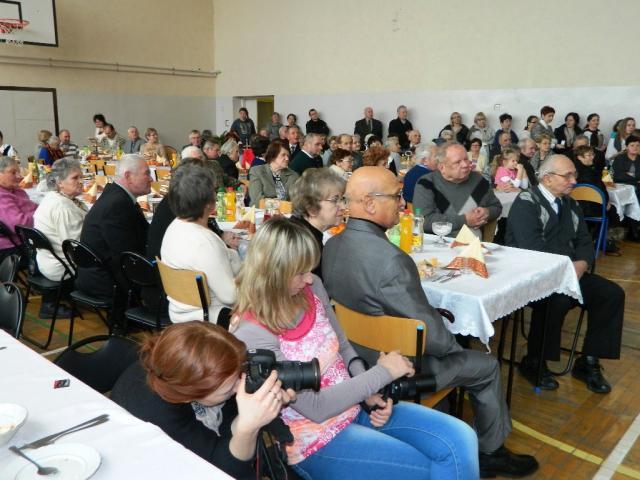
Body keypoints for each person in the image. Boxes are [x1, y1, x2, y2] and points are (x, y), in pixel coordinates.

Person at [322, 167, 537, 478]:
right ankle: (491, 451)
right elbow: (432, 337)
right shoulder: (392, 259)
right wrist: (456, 347)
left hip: (354, 359)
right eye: (397, 196)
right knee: (486, 365)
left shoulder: (332, 245)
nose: (403, 203)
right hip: (399, 368)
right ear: (369, 203)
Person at [232, 218, 480, 479]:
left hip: (355, 409)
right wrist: (382, 374)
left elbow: (344, 346)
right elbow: (316, 407)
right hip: (314, 439)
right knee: (427, 469)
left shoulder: (311, 288)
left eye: (309, 269)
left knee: (461, 438)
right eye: (300, 272)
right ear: (274, 276)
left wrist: (369, 392)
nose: (309, 277)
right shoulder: (253, 332)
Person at [111, 321, 296, 480]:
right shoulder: (160, 416)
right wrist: (247, 428)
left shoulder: (183, 367)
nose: (240, 386)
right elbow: (224, 472)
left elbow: (227, 429)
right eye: (229, 388)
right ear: (189, 396)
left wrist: (256, 411)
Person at [506, 155, 624, 393]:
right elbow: (532, 249)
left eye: (574, 175)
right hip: (534, 275)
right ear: (547, 178)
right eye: (568, 176)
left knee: (611, 294)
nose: (574, 181)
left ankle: (588, 361)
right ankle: (535, 360)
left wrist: (582, 264)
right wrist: (568, 269)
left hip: (570, 272)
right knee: (557, 300)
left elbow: (585, 241)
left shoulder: (570, 204)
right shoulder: (526, 202)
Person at [160, 163, 240, 325]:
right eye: (214, 191)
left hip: (178, 311)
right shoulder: (204, 241)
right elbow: (231, 296)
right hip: (206, 318)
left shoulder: (174, 226)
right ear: (208, 204)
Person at [77, 154, 151, 303]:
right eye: (147, 174)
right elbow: (126, 254)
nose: (151, 179)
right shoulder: (117, 204)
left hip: (98, 274)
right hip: (106, 282)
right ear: (128, 176)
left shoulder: (116, 194)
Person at [33, 158, 86, 317]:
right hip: (61, 267)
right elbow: (76, 245)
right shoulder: (62, 207)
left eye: (81, 177)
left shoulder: (53, 197)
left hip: (46, 261)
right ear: (60, 183)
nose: (81, 181)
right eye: (75, 178)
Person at [413, 142, 502, 237]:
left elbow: (496, 207)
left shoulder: (478, 181)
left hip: (472, 243)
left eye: (466, 159)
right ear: (442, 167)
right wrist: (464, 220)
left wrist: (487, 212)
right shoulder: (426, 183)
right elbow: (424, 221)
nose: (465, 165)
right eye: (457, 162)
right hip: (437, 241)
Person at [290, 169, 347, 279]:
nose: (343, 207)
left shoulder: (304, 232)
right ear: (311, 208)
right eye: (334, 200)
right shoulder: (302, 245)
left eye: (342, 199)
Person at [0, 156, 37, 261]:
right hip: (13, 248)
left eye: (18, 172)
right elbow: (20, 225)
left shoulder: (16, 190)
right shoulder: (2, 196)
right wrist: (41, 214)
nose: (19, 176)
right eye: (13, 172)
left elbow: (34, 207)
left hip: (26, 239)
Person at [249, 140, 299, 206]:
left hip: (285, 211)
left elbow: (296, 200)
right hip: (261, 210)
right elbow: (257, 199)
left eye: (288, 156)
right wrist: (278, 204)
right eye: (283, 155)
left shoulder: (293, 175)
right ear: (273, 156)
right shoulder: (257, 171)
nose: (287, 159)